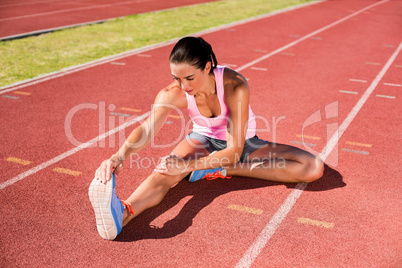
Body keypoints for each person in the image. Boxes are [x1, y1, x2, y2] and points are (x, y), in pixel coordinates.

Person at [89, 36, 324, 240]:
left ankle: (217, 170)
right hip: (202, 140)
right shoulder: (173, 93)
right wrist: (118, 156)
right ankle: (123, 213)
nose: (183, 86)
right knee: (165, 171)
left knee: (313, 168)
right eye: (177, 78)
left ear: (208, 66)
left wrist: (190, 165)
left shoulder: (234, 85)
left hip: (243, 144)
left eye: (189, 78)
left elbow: (234, 149)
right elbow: (147, 130)